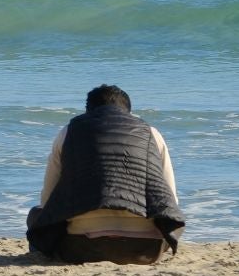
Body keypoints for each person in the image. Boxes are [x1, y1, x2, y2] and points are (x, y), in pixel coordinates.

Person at [26, 84, 184, 265]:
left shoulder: (69, 131)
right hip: (145, 249)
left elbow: (47, 202)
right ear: (129, 112)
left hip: (81, 247)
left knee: (34, 215)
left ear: (88, 111)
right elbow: (170, 200)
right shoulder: (151, 134)